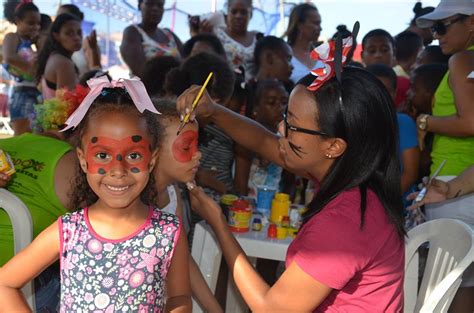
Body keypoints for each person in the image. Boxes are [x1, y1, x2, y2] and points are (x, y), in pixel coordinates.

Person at [177, 36, 405, 311]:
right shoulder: (354, 181)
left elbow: (271, 309)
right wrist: (213, 112)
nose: (281, 130)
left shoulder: (344, 220)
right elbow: (265, 142)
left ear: (333, 146)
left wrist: (218, 225)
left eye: (292, 125)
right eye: (286, 116)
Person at [0, 79, 191, 312]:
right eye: (102, 155)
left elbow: (180, 297)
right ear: (82, 159)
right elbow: (5, 284)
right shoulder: (68, 231)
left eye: (133, 156)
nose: (118, 170)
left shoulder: (168, 232)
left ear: (151, 160)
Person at [416, 1, 474, 311]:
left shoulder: (463, 60)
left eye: (442, 26)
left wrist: (425, 121)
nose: (436, 35)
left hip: (454, 186)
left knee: (442, 293)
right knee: (464, 288)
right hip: (463, 185)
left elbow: (470, 121)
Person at [153, 99, 223, 313]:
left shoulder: (173, 193)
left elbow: (182, 258)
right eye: (186, 146)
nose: (198, 154)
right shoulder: (131, 202)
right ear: (153, 151)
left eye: (197, 145)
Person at [366, 64, 420, 197]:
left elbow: (410, 174)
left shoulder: (403, 123)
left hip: (396, 204)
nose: (379, 97)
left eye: (385, 91)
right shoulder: (353, 123)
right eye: (373, 91)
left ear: (395, 93)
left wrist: (381, 204)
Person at [2, 1, 41, 135]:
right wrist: (33, 71)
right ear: (18, 21)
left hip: (34, 92)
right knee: (22, 135)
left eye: (38, 24)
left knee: (33, 134)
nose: (35, 27)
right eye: (31, 23)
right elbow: (9, 57)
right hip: (22, 93)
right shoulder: (12, 37)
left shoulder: (31, 43)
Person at [120, 0, 182, 78]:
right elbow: (141, 73)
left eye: (160, 5)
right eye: (150, 4)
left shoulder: (169, 34)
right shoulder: (132, 32)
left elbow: (188, 62)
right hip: (146, 89)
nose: (155, 8)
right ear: (140, 6)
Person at [200, 0, 260, 75]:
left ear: (250, 14)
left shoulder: (258, 39)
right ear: (227, 13)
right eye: (234, 12)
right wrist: (204, 37)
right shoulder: (216, 35)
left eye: (243, 12)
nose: (238, 16)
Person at [36, 13, 82, 100]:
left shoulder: (54, 57)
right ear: (57, 36)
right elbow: (67, 105)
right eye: (69, 33)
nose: (76, 37)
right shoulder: (63, 63)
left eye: (79, 32)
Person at [57, 4, 102, 77]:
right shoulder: (55, 44)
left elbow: (96, 72)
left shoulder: (88, 44)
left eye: (63, 17)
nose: (58, 21)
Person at [284, 3, 322, 83]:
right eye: (315, 23)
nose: (320, 28)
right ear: (299, 25)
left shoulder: (323, 57)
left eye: (319, 23)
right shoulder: (283, 57)